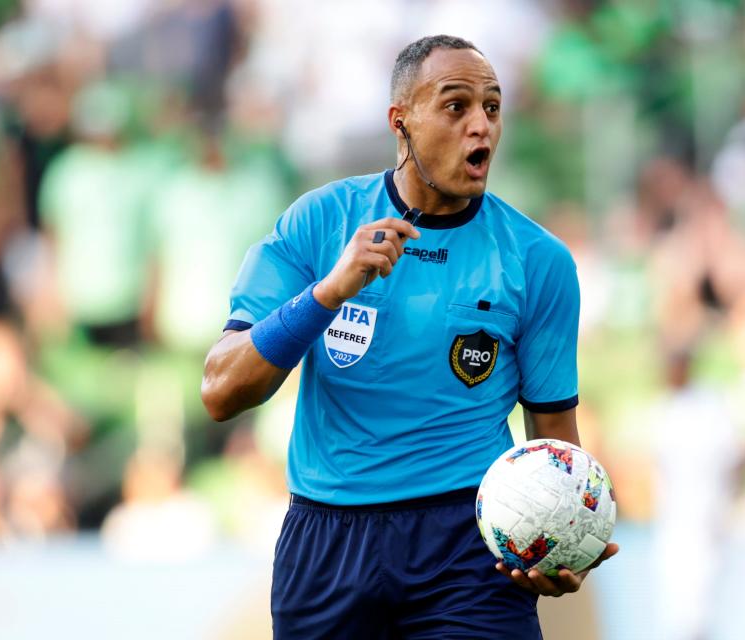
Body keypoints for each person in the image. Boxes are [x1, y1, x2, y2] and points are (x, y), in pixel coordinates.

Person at [201, 34, 618, 639]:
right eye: (456, 107)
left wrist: (566, 540)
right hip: (327, 543)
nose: (481, 126)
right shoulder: (319, 224)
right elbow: (221, 391)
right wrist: (329, 292)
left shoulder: (537, 260)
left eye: (492, 108)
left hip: (468, 551)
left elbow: (556, 445)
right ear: (402, 123)